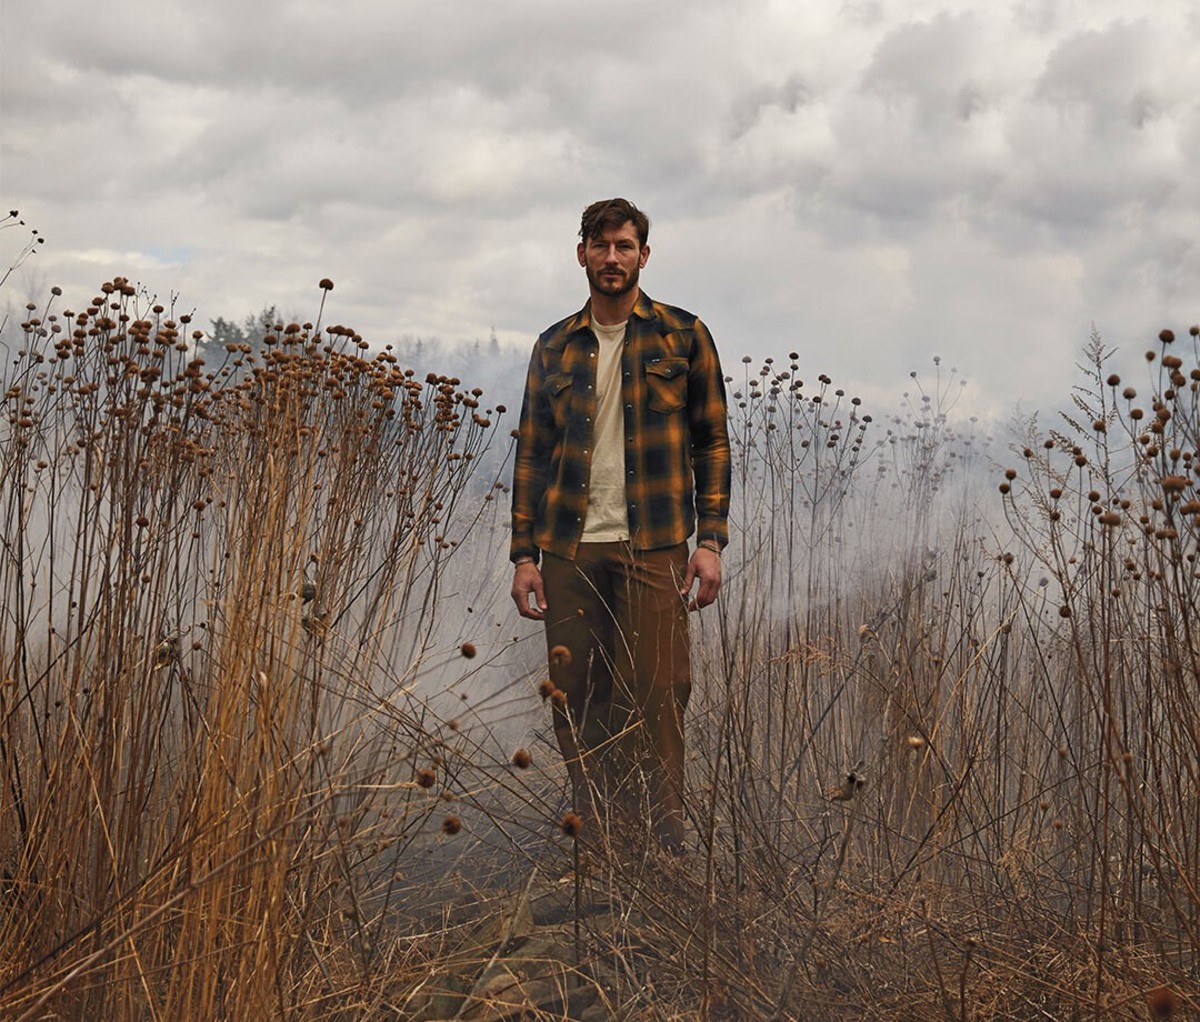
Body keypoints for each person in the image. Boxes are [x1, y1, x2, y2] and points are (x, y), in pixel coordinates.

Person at [510, 197, 731, 851]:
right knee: (574, 694)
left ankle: (666, 839)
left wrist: (710, 540)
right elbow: (532, 454)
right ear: (581, 253)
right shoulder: (554, 346)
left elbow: (711, 442)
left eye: (625, 246)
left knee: (661, 690)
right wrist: (524, 556)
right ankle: (601, 833)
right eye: (600, 246)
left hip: (654, 542)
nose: (612, 258)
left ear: (644, 255)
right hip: (570, 549)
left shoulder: (683, 335)